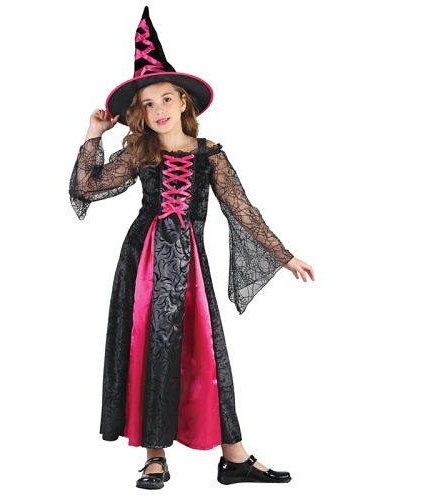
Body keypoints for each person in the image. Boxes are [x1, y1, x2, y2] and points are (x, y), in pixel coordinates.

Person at [68, 6, 314, 490]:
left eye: (166, 98)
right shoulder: (138, 153)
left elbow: (242, 210)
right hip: (143, 264)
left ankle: (234, 457)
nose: (158, 109)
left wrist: (283, 256)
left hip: (190, 270)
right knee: (148, 347)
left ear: (184, 101)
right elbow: (86, 187)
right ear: (139, 113)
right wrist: (93, 137)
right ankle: (154, 457)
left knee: (206, 354)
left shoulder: (210, 156)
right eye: (147, 104)